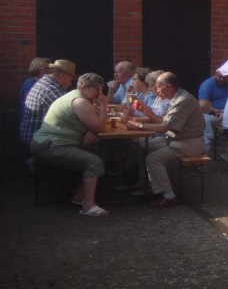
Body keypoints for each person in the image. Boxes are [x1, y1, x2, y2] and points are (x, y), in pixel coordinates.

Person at [30, 73, 110, 216]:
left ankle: (79, 197)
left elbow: (93, 123)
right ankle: (88, 206)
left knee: (96, 154)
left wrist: (92, 129)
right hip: (52, 146)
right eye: (97, 89)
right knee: (93, 161)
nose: (100, 93)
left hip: (48, 143)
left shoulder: (74, 96)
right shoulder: (80, 102)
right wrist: (104, 104)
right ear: (85, 87)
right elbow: (100, 127)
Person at [125, 72, 205, 208]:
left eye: (158, 86)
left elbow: (164, 126)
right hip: (177, 139)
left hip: (189, 143)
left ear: (169, 87)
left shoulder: (182, 101)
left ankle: (168, 196)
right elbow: (165, 123)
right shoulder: (177, 97)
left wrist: (138, 125)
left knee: (153, 158)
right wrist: (137, 120)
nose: (156, 90)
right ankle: (149, 186)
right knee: (141, 147)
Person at [20, 59, 77, 147]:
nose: (70, 83)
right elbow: (71, 116)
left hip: (34, 135)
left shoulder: (45, 83)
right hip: (38, 140)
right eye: (71, 80)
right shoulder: (52, 89)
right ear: (62, 76)